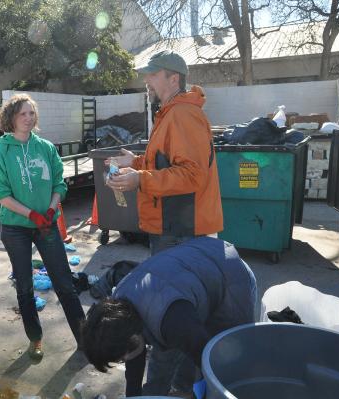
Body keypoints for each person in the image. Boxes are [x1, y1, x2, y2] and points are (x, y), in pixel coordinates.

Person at [105, 50, 223, 396]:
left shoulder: (183, 114)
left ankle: (163, 389)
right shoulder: (173, 112)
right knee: (186, 312)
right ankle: (183, 386)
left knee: (168, 314)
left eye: (153, 75)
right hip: (177, 229)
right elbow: (165, 159)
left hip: (182, 231)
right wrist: (137, 161)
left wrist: (141, 179)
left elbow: (191, 175)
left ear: (174, 79)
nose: (147, 81)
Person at [81, 237, 256, 397]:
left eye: (121, 358)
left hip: (230, 276)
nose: (124, 361)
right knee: (167, 355)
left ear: (132, 336)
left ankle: (184, 390)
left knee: (228, 361)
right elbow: (134, 357)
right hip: (188, 276)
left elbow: (214, 368)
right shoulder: (120, 308)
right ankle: (179, 390)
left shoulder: (175, 322)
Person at [0, 93, 85, 360]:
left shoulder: (46, 148)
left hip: (47, 225)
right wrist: (30, 213)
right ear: (11, 118)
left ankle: (84, 338)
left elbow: (59, 183)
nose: (29, 118)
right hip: (16, 228)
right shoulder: (2, 153)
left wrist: (52, 208)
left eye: (32, 113)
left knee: (64, 282)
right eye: (23, 114)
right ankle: (35, 339)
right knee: (24, 286)